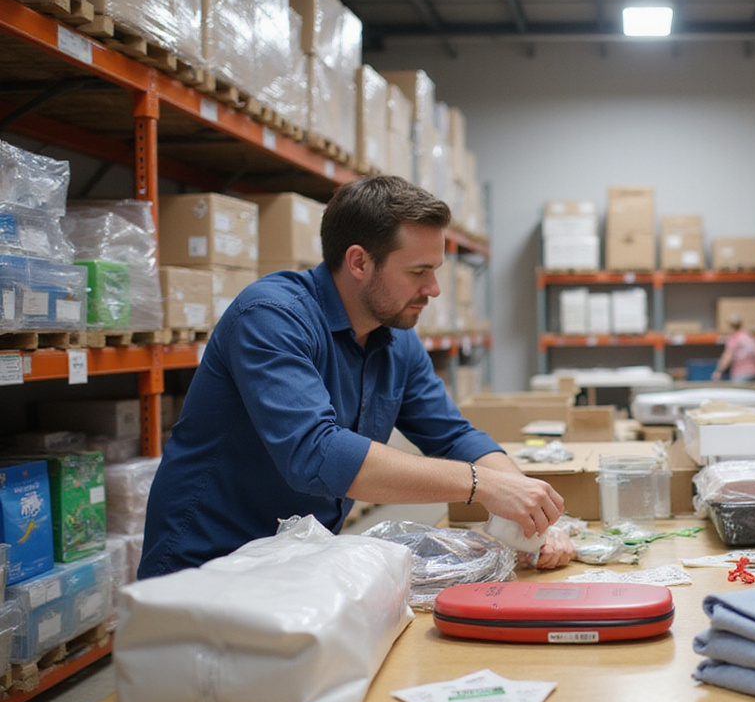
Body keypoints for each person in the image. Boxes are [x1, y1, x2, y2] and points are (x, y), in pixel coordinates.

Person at [139, 176, 575, 578]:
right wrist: (482, 486)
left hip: (294, 560)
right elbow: (316, 454)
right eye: (418, 272)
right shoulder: (272, 317)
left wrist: (528, 507)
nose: (434, 289)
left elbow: (452, 435)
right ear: (359, 262)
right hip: (207, 566)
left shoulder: (395, 340)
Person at [711, 316, 755, 381]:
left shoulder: (735, 338)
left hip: (741, 374)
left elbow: (728, 357)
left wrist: (719, 371)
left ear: (731, 326)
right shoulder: (751, 337)